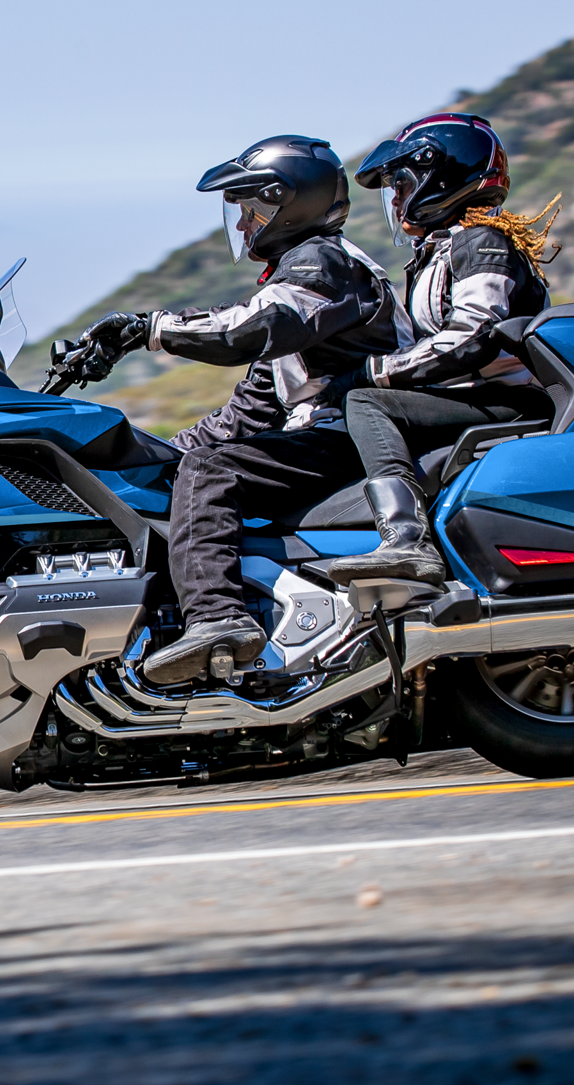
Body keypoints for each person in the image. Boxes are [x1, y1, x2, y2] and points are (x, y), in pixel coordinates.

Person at [78, 135, 412, 684]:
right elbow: (250, 412)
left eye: (250, 207)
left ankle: (217, 619)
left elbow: (248, 329)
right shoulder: (301, 286)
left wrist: (150, 329)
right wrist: (151, 456)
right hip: (331, 434)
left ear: (291, 202)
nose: (240, 223)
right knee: (192, 464)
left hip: (354, 434)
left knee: (211, 471)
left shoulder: (323, 265)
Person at [321, 113, 559, 587]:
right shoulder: (441, 250)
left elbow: (473, 336)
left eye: (402, 184)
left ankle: (407, 540)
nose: (396, 199)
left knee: (366, 402)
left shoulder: (482, 242)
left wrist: (373, 372)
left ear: (441, 177)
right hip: (475, 396)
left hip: (506, 400)